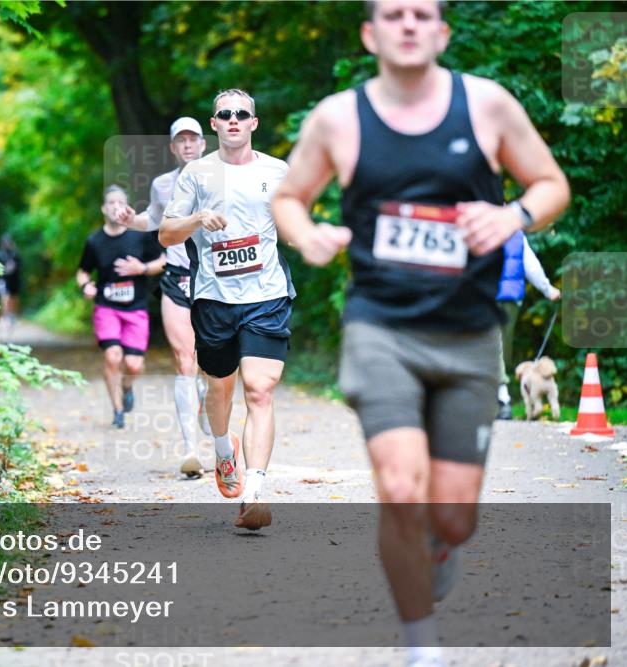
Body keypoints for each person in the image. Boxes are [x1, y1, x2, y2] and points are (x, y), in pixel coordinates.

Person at [270, 2, 569, 665]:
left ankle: (438, 545)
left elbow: (551, 185)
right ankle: (420, 644)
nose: (408, 23)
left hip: (468, 333)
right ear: (370, 33)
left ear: (442, 32)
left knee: (454, 515)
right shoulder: (339, 118)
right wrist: (309, 235)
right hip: (381, 327)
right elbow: (288, 197)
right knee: (401, 488)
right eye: (393, 13)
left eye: (422, 13)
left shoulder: (487, 106)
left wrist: (512, 214)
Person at [160, 89, 294, 531]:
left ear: (254, 123)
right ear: (214, 124)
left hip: (267, 294)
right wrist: (198, 218)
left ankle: (254, 494)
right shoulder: (196, 174)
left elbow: (294, 225)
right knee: (219, 391)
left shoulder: (278, 171)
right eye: (225, 114)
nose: (233, 119)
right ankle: (223, 451)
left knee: (259, 389)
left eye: (242, 114)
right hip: (214, 299)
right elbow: (166, 234)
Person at [115, 117, 212, 477]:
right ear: (172, 147)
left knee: (210, 364)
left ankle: (207, 405)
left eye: (193, 139)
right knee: (184, 359)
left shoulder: (220, 179)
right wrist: (129, 220)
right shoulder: (162, 185)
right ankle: (191, 451)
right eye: (180, 140)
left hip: (214, 280)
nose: (187, 145)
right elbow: (151, 221)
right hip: (176, 278)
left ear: (204, 144)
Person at [77, 185, 166, 429]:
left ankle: (127, 388)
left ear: (127, 207)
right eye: (111, 203)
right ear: (104, 209)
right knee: (112, 355)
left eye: (120, 202)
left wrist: (143, 269)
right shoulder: (94, 241)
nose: (116, 207)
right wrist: (86, 287)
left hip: (135, 307)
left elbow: (164, 260)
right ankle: (117, 411)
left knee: (134, 365)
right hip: (106, 307)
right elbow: (83, 272)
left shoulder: (140, 235)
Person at [494, 230, 561, 419]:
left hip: (485, 295)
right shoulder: (516, 234)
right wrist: (548, 290)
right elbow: (532, 266)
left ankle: (500, 398)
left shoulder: (480, 222)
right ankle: (502, 398)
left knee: (490, 346)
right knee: (500, 347)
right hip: (510, 298)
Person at [0, 234, 22, 339]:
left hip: (14, 280)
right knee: (5, 298)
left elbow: (19, 267)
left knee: (14, 299)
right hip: (3, 280)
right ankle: (5, 316)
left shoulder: (15, 254)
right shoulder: (0, 255)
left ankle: (12, 315)